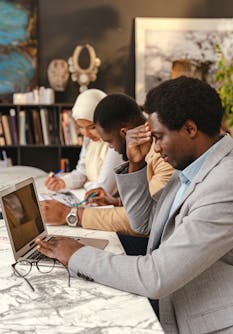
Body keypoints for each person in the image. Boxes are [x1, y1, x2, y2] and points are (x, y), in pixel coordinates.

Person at [36, 76, 233, 334]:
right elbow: (146, 223)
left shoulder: (224, 184)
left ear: (190, 129)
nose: (156, 148)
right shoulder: (192, 166)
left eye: (159, 137)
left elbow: (156, 276)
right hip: (177, 307)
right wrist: (136, 165)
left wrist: (76, 254)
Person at [41, 94, 174, 236]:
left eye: (110, 142)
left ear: (124, 133)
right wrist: (117, 202)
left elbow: (144, 222)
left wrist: (71, 214)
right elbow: (146, 207)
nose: (110, 148)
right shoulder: (142, 150)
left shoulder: (163, 156)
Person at [45, 89, 122, 194]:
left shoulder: (117, 143)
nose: (86, 134)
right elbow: (82, 173)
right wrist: (62, 181)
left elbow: (104, 189)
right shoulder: (89, 140)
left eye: (92, 127)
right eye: (80, 127)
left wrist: (86, 184)